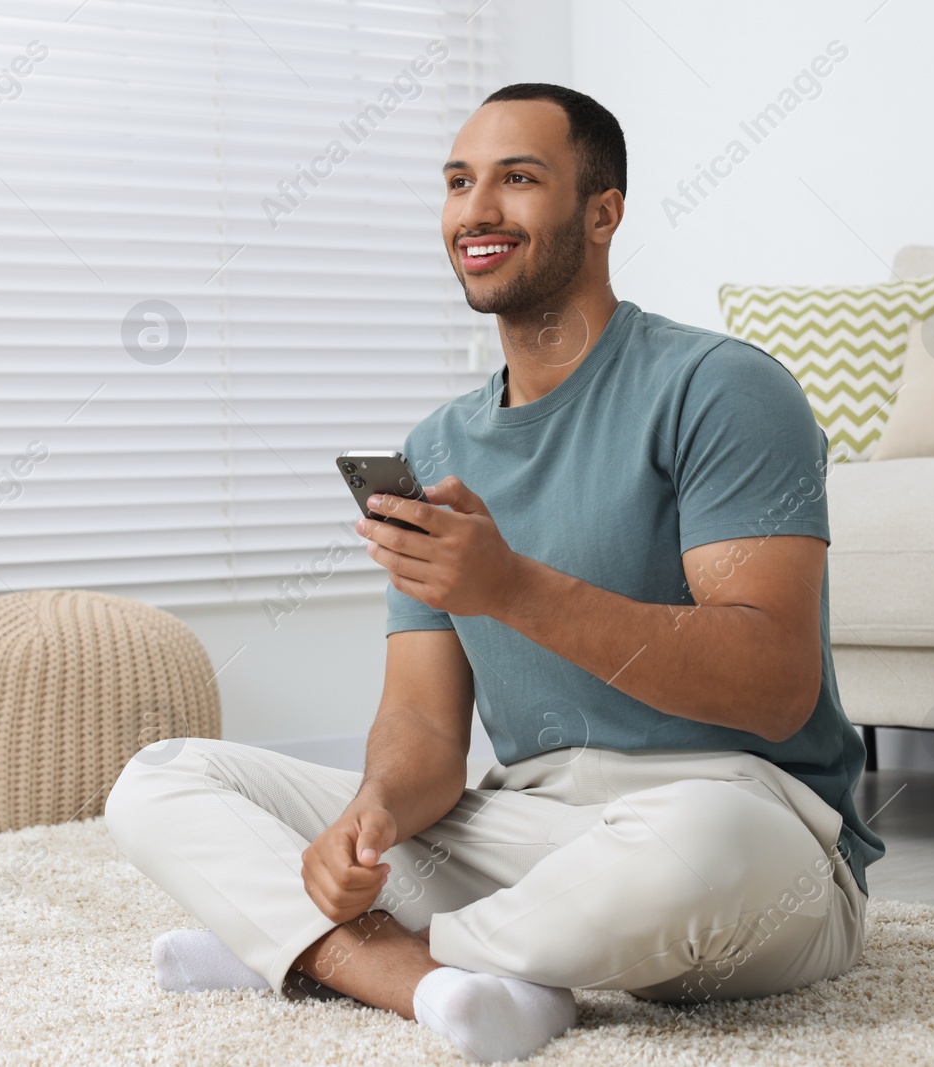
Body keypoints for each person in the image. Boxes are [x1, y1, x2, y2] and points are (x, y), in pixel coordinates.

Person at [105, 82, 885, 1064]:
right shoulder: (437, 444)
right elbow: (427, 729)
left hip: (747, 823)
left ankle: (320, 952)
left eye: (517, 179)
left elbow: (774, 689)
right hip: (527, 828)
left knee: (705, 840)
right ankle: (432, 977)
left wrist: (510, 585)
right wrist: (372, 817)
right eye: (457, 182)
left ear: (602, 212)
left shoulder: (721, 388)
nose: (475, 211)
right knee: (161, 777)